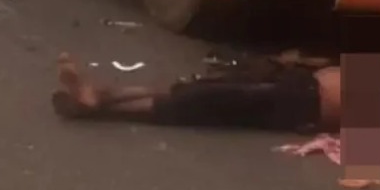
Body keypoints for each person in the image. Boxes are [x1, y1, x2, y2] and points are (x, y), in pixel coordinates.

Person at [51, 53, 342, 133]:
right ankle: (99, 96)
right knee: (196, 88)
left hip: (301, 104)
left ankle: (98, 106)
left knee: (203, 100)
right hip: (300, 83)